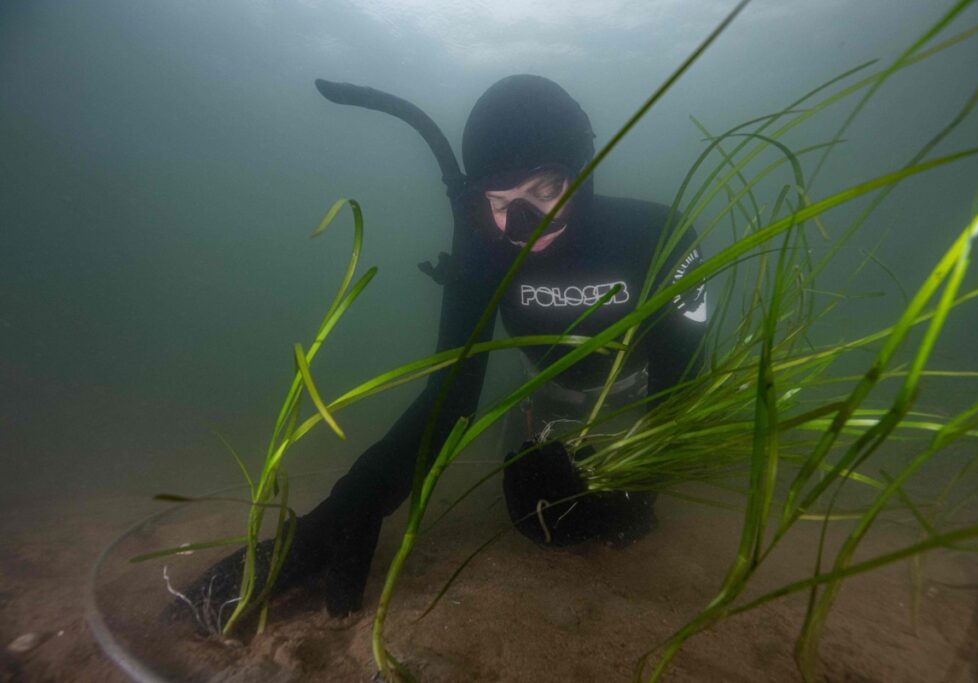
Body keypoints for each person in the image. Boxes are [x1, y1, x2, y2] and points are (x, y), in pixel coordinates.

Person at [186, 74, 707, 619]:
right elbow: (452, 393)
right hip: (551, 399)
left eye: (547, 190)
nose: (525, 226)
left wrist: (641, 487)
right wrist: (356, 499)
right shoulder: (483, 250)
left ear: (583, 169)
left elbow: (685, 379)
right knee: (532, 508)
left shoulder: (656, 236)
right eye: (500, 200)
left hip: (641, 401)